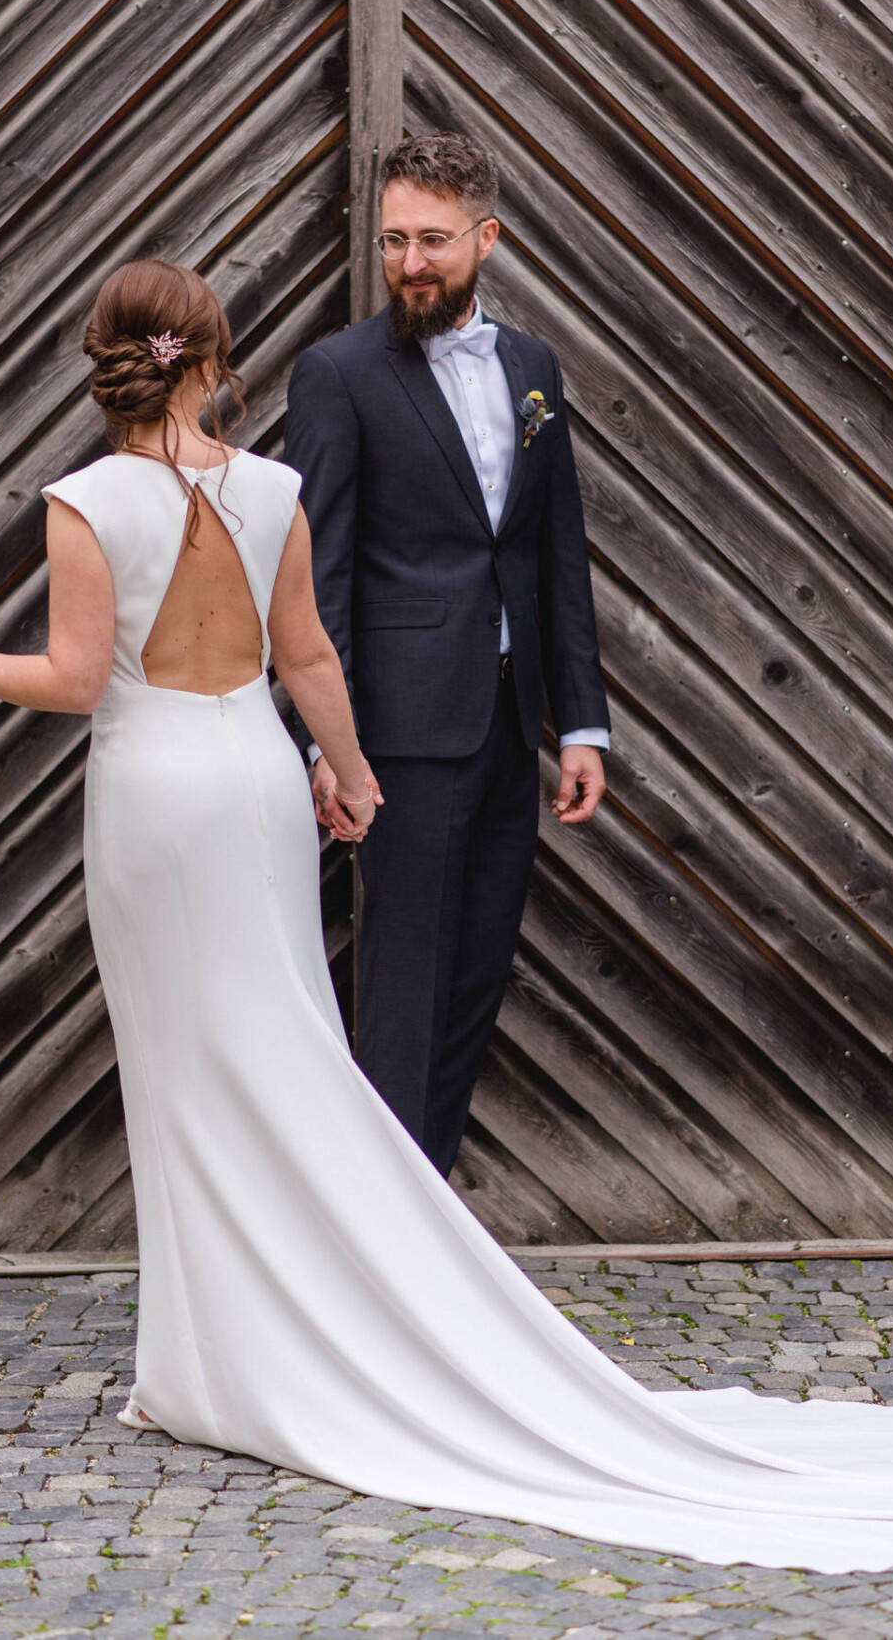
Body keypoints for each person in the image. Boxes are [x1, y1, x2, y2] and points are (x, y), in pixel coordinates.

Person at [0, 259, 893, 1574]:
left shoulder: (85, 501)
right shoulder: (272, 487)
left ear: (103, 356)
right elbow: (309, 658)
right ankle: (242, 1337)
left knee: (185, 1074)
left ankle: (214, 1359)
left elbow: (70, 679)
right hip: (260, 786)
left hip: (154, 794)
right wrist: (345, 771)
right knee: (281, 1048)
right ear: (213, 352)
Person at [284, 132, 609, 1179]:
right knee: (404, 981)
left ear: (487, 237)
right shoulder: (338, 375)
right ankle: (381, 1235)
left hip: (513, 728)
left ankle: (431, 1228)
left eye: (432, 241)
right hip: (400, 733)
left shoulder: (532, 369)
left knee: (475, 977)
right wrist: (328, 747)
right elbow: (316, 574)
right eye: (393, 242)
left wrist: (583, 723)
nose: (410, 264)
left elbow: (556, 553)